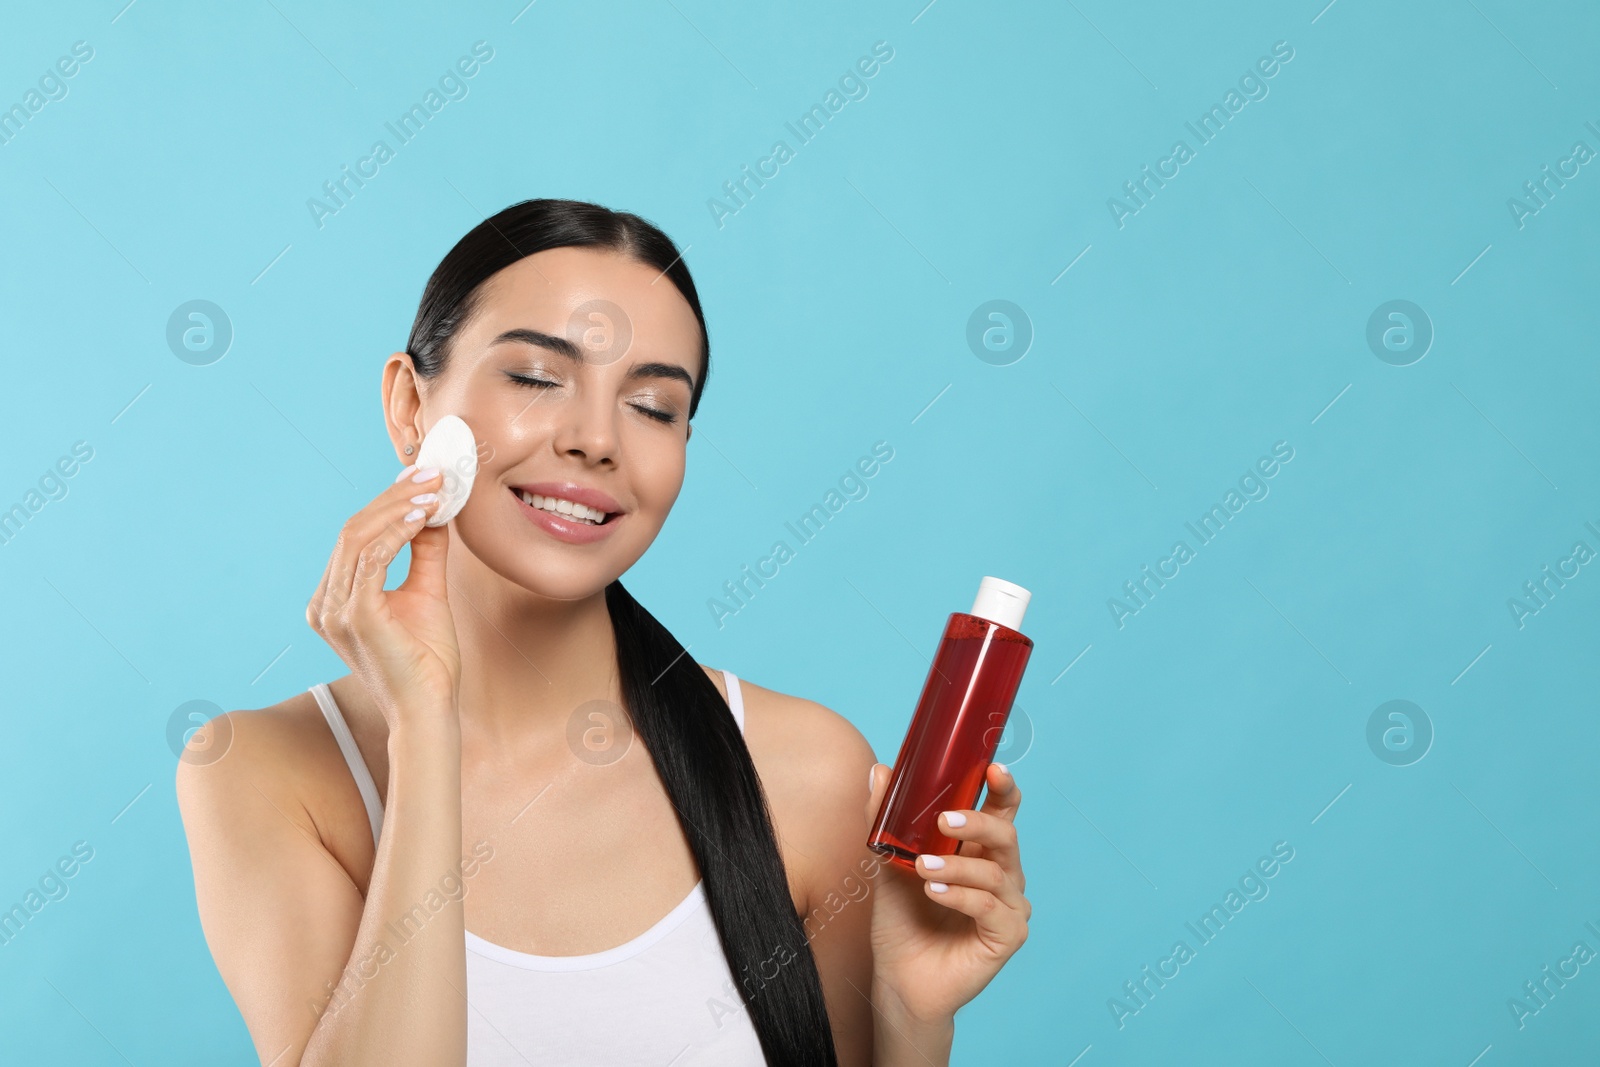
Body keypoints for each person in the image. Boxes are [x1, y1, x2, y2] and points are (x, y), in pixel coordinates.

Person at [176, 198, 1031, 1065]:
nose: (595, 439)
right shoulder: (265, 772)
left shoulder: (810, 774)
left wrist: (913, 1016)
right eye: (536, 378)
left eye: (654, 406)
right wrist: (425, 728)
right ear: (409, 404)